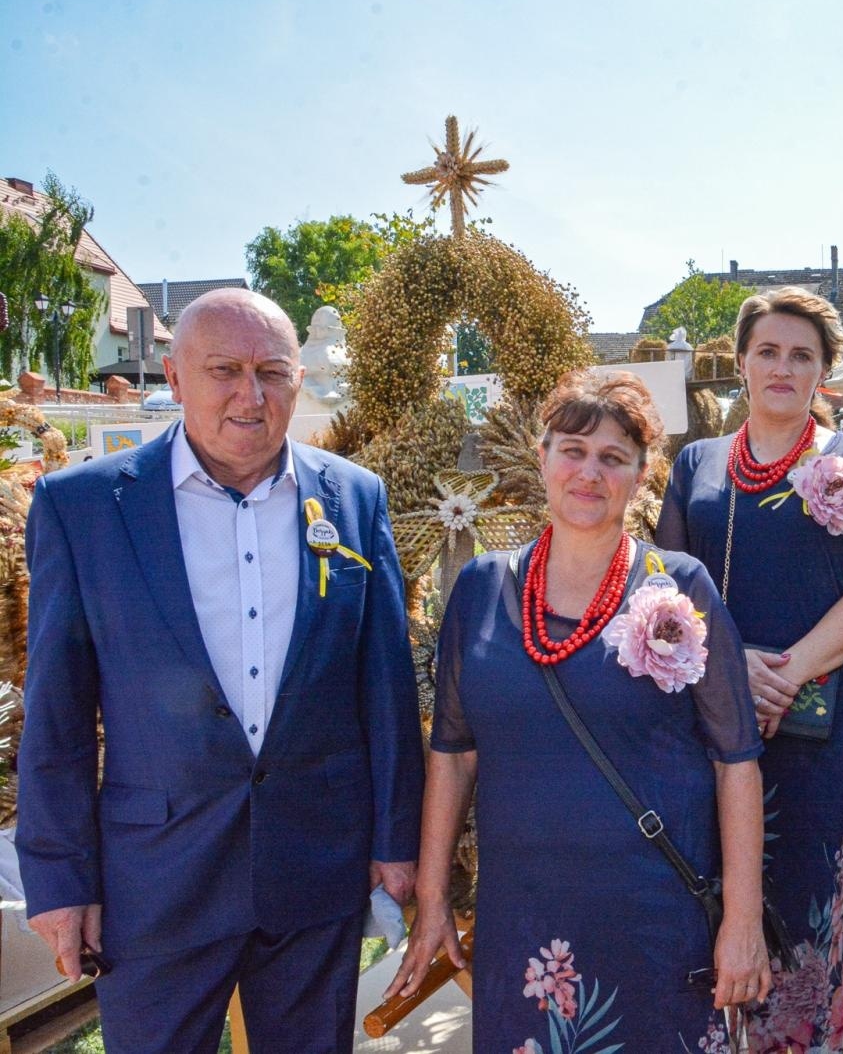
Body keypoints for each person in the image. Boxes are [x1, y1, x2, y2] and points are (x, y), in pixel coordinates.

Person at [17, 288, 423, 1053]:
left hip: (314, 866)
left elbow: (386, 687)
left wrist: (396, 841)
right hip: (155, 882)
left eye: (272, 371)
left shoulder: (355, 498)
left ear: (298, 379)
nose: (250, 394)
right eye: (224, 370)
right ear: (174, 377)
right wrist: (61, 879)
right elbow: (59, 714)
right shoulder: (85, 509)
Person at [387, 369, 770, 1050]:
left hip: (653, 917)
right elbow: (452, 754)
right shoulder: (480, 589)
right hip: (524, 922)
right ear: (542, 457)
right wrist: (435, 901)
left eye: (613, 458)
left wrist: (742, 921)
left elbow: (735, 760)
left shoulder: (680, 587)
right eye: (573, 450)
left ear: (641, 474)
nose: (589, 472)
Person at [657, 286, 843, 1052]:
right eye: (768, 351)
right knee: (705, 907)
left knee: (804, 916)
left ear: (825, 371)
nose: (783, 368)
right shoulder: (693, 463)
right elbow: (660, 587)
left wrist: (783, 671)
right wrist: (734, 671)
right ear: (740, 362)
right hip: (706, 726)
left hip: (822, 736)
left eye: (802, 355)